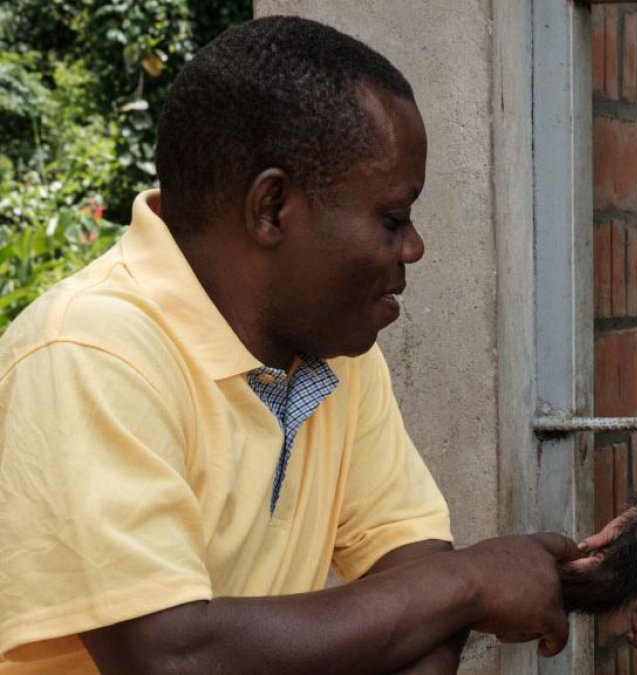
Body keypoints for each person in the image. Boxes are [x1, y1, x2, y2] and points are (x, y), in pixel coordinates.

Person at [0, 16, 579, 674]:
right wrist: (470, 584)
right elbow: (171, 656)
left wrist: (444, 593)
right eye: (392, 218)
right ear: (271, 207)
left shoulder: (332, 353)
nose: (413, 247)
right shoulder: (92, 351)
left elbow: (418, 586)